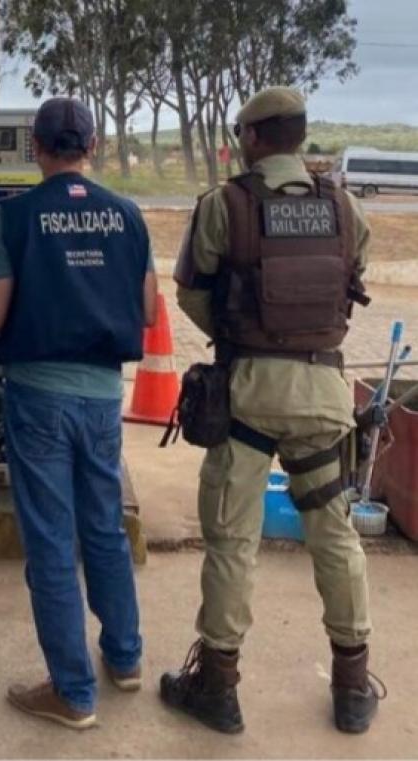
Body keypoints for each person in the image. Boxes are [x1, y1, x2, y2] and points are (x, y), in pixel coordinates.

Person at [163, 86, 383, 735]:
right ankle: (351, 685)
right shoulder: (344, 207)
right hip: (322, 395)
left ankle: (218, 686)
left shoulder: (224, 205)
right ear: (301, 137)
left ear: (254, 138)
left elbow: (190, 291)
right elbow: (353, 281)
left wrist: (236, 337)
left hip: (249, 395)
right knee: (335, 537)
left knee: (233, 540)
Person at [0, 97, 157, 729]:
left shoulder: (15, 217)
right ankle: (126, 658)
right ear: (91, 146)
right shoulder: (128, 215)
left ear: (36, 147)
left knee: (52, 541)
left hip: (37, 396)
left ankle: (73, 692)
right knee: (105, 528)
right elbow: (144, 310)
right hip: (104, 398)